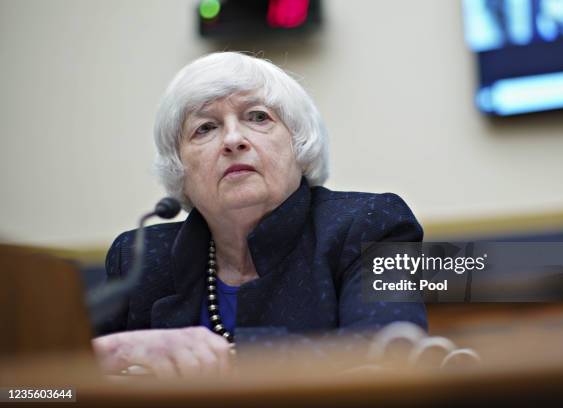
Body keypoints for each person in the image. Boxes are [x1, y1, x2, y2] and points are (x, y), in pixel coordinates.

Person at [93, 52, 426, 378]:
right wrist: (115, 351)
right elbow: (61, 372)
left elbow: (390, 350)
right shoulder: (139, 258)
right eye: (206, 127)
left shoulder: (377, 223)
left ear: (300, 143)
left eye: (257, 117)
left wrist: (217, 357)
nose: (233, 139)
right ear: (179, 168)